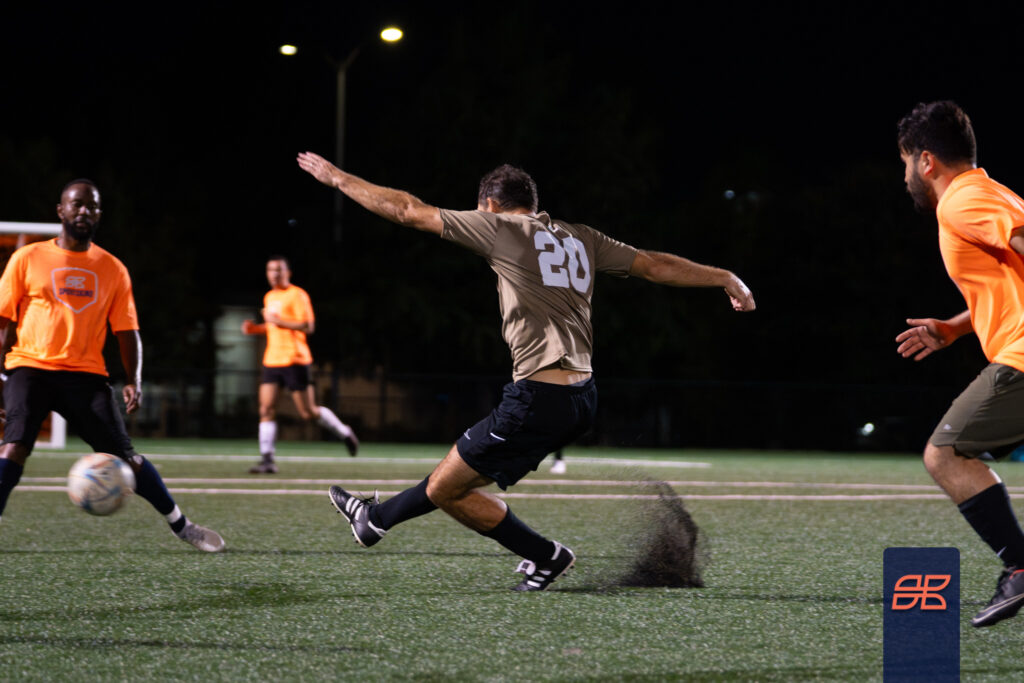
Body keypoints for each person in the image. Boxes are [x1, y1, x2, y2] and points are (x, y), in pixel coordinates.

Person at [297, 152, 755, 591]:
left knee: (445, 489)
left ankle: (532, 553)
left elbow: (407, 210)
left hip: (539, 397)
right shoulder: (581, 237)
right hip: (581, 397)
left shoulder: (501, 227)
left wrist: (338, 178)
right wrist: (725, 277)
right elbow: (654, 265)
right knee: (453, 485)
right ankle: (378, 520)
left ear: (490, 204)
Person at [0, 179, 223, 552]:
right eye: (76, 204)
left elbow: (127, 329)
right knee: (13, 447)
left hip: (86, 376)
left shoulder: (112, 268)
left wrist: (133, 378)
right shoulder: (27, 258)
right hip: (30, 367)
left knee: (127, 458)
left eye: (91, 206)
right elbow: (3, 320)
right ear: (60, 210)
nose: (83, 211)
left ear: (99, 214)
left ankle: (183, 526)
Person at [895, 100, 1024, 627]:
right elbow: (1007, 281)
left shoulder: (962, 202)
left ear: (926, 161)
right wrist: (953, 327)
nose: (905, 175)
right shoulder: (990, 193)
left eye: (905, 162)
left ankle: (1020, 566)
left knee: (945, 453)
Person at [240, 256, 359, 473]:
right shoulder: (269, 296)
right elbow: (272, 327)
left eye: (278, 270)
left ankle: (344, 432)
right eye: (270, 270)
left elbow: (307, 326)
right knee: (266, 409)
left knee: (307, 412)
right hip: (272, 359)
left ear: (288, 272)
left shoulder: (298, 294)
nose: (274, 274)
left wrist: (277, 321)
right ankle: (267, 460)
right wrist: (255, 329)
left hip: (295, 358)